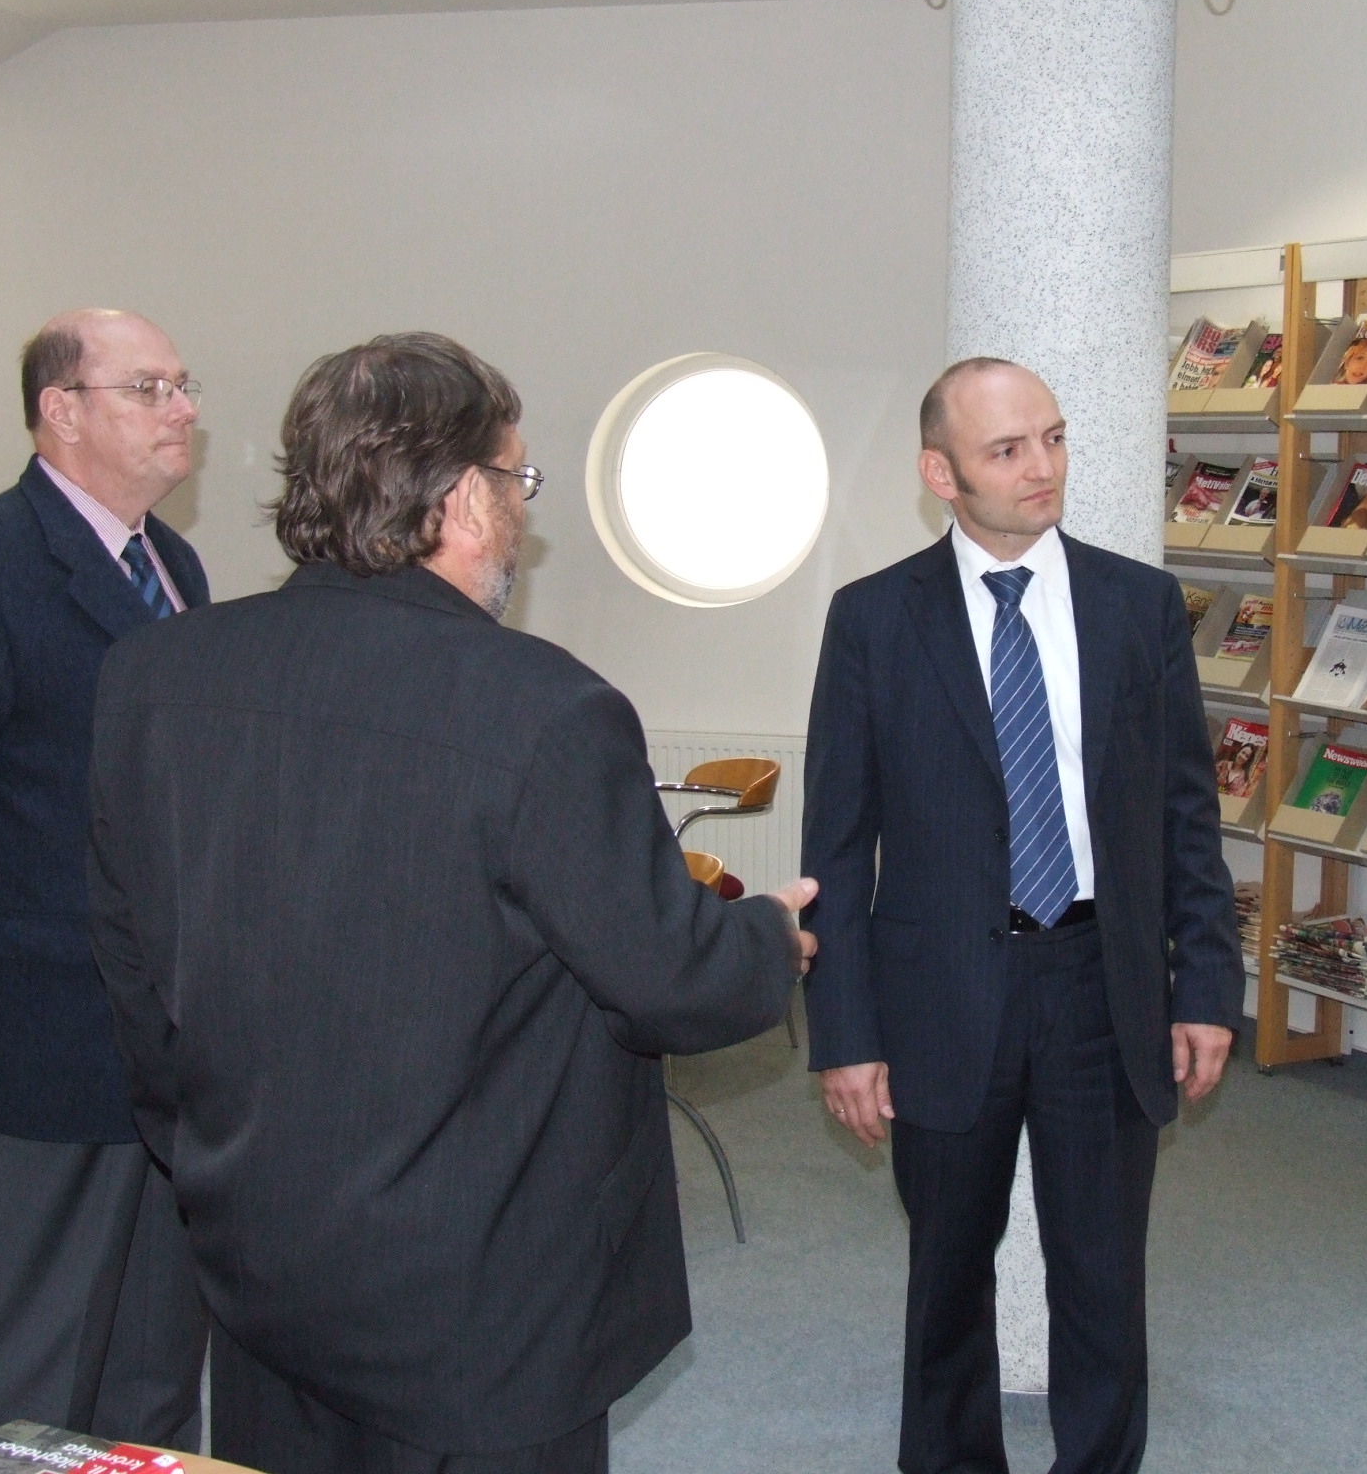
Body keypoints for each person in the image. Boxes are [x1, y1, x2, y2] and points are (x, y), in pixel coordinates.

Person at [86, 332, 813, 1474]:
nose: (522, 512)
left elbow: (131, 966)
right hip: (489, 1306)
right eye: (519, 480)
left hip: (259, 1255)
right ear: (465, 497)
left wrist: (207, 1153)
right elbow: (669, 980)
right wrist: (767, 935)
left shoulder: (155, 676)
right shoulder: (546, 710)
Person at [803, 357, 1239, 1474]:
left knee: (1103, 1277)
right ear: (938, 473)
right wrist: (843, 1033)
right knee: (948, 1275)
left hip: (1102, 981)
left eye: (1051, 437)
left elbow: (1186, 817)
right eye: (1006, 450)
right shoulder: (873, 620)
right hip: (942, 993)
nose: (1041, 466)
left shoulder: (1137, 606)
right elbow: (835, 849)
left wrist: (1204, 987)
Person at [0, 310, 211, 1444]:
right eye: (148, 388)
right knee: (23, 1391)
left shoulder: (175, 564)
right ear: (60, 410)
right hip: (31, 1047)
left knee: (150, 1381)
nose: (183, 410)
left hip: (163, 1050)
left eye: (183, 386)